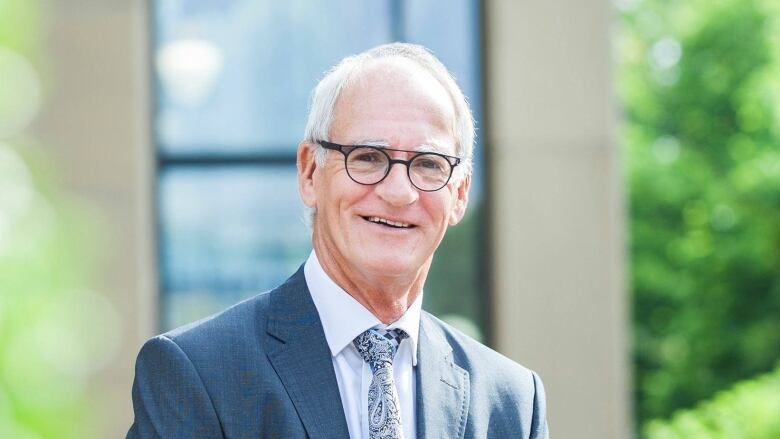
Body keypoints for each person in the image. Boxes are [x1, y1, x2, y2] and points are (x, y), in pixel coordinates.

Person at [127, 42, 548, 439]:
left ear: (458, 195)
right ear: (310, 172)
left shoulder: (510, 402)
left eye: (428, 164)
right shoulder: (198, 373)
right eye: (367, 157)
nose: (399, 192)